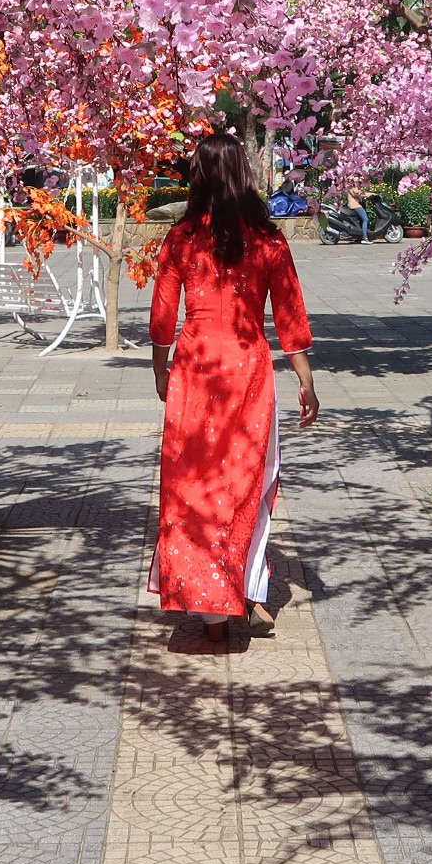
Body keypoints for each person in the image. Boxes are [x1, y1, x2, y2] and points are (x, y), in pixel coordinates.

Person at [148, 132, 318, 643]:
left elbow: (162, 319)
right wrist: (306, 382)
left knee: (193, 485)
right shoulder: (268, 239)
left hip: (194, 370)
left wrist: (160, 369)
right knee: (245, 481)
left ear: (197, 175)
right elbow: (290, 318)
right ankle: (241, 590)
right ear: (244, 172)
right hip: (248, 369)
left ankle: (210, 606)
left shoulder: (180, 238)